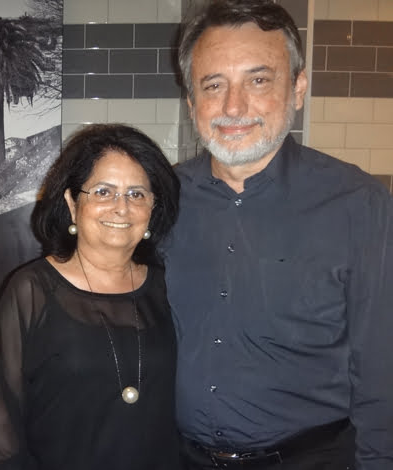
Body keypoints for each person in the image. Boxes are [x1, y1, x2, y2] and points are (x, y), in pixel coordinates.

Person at [159, 1, 393, 469]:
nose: (233, 107)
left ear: (298, 89)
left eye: (258, 80)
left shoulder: (358, 204)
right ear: (191, 103)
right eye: (213, 85)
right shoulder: (162, 199)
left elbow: (382, 370)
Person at [0, 124, 182, 470]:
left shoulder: (168, 286)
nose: (121, 207)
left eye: (136, 194)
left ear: (153, 208)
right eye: (103, 191)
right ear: (72, 204)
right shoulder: (31, 292)